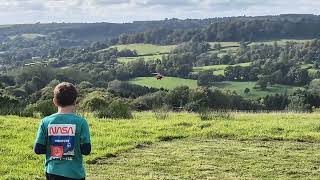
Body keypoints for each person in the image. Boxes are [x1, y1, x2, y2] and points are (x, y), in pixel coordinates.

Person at [34, 82, 91, 180]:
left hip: (53, 172)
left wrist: (56, 147)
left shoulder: (45, 122)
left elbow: (38, 149)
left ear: (55, 101)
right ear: (75, 101)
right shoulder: (81, 122)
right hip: (75, 173)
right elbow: (86, 150)